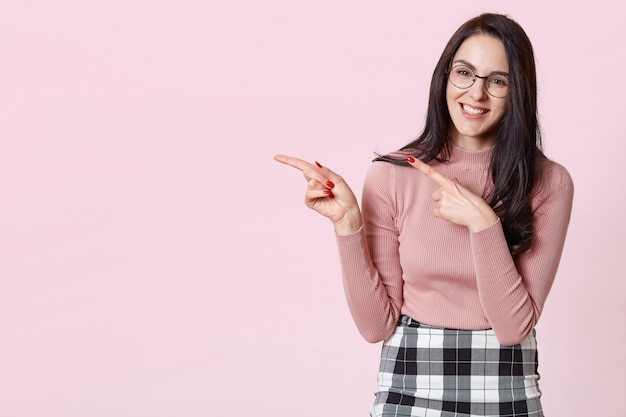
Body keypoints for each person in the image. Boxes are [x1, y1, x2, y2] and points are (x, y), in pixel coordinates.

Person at [274, 13, 573, 417]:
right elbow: (375, 327)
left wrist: (484, 224)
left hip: (506, 390)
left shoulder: (549, 182)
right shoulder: (392, 175)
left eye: (497, 81)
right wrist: (347, 225)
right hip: (408, 388)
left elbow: (512, 327)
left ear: (518, 91)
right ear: (445, 76)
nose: (476, 93)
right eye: (464, 72)